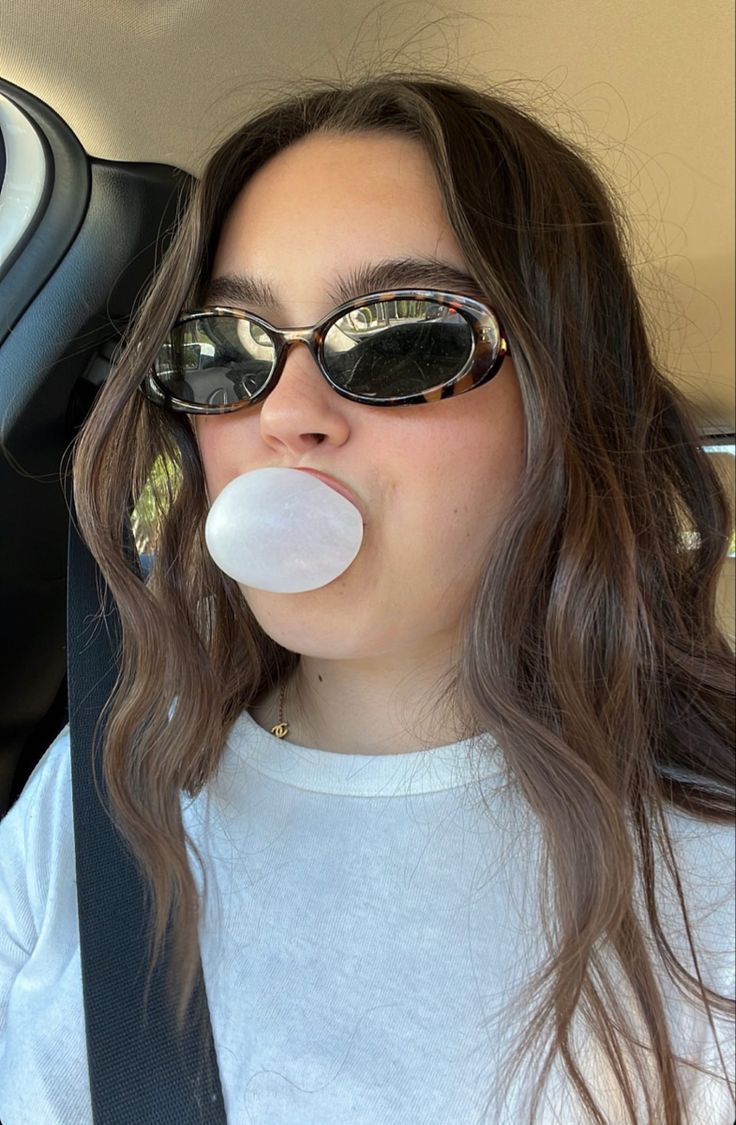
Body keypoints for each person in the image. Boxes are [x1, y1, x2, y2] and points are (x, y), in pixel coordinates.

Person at [1, 69, 734, 1125]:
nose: (285, 415)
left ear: (564, 401)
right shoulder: (112, 775)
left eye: (402, 339)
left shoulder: (707, 873)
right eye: (226, 349)